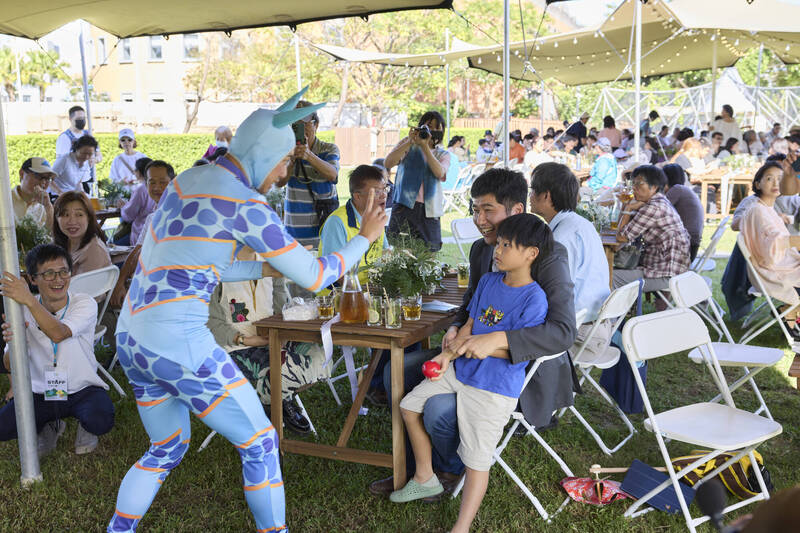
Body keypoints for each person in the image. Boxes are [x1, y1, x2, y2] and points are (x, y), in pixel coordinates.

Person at [105, 88, 387, 533]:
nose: (281, 175)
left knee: (166, 447)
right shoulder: (244, 201)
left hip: (132, 340)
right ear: (264, 153)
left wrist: (267, 269)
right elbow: (317, 276)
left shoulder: (186, 182)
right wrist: (363, 238)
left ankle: (117, 530)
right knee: (260, 443)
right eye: (283, 163)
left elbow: (200, 262)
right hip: (179, 342)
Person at [370, 168, 579, 498]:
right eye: (474, 209)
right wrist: (455, 329)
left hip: (519, 371)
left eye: (488, 210)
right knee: (399, 372)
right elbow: (470, 305)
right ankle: (417, 470)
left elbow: (563, 331)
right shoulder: (482, 250)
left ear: (516, 211)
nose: (479, 219)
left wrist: (498, 340)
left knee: (438, 409)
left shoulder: (549, 256)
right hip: (468, 357)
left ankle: (449, 471)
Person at [389, 213, 551, 533]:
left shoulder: (534, 299)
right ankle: (425, 477)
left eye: (508, 245)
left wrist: (489, 347)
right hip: (460, 370)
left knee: (476, 462)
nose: (498, 250)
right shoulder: (490, 281)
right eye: (499, 243)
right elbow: (470, 325)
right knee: (409, 406)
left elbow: (522, 349)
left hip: (494, 386)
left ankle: (460, 528)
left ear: (531, 253)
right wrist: (448, 355)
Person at [0, 244, 114, 456]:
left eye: (64, 272)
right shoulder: (22, 310)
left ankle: (85, 426)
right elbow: (9, 364)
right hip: (42, 392)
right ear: (33, 279)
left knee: (100, 419)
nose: (59, 279)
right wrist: (16, 342)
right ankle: (50, 425)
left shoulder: (84, 303)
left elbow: (58, 333)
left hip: (82, 389)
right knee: (4, 427)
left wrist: (28, 300)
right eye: (49, 273)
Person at [206, 247, 319, 436]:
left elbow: (280, 307)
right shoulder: (217, 266)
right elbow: (211, 322)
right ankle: (277, 400)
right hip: (235, 347)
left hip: (272, 338)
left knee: (319, 352)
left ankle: (275, 396)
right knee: (280, 367)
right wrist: (246, 340)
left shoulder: (271, 263)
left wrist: (281, 333)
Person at [530, 163, 611, 352]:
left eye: (533, 190)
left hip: (581, 334)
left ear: (546, 195)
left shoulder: (562, 237)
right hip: (594, 322)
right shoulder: (580, 224)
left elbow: (553, 293)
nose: (530, 196)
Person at [740, 161, 800, 339]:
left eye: (780, 179)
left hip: (778, 265)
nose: (776, 183)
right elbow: (775, 243)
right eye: (769, 178)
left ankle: (790, 314)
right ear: (757, 183)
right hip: (771, 270)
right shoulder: (758, 210)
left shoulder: (766, 208)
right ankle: (788, 312)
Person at [614, 165, 691, 291]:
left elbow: (621, 237)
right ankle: (626, 310)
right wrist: (627, 206)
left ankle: (614, 311)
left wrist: (628, 207)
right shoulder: (659, 202)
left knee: (610, 277)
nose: (633, 188)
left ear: (654, 187)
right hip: (665, 268)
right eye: (633, 183)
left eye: (639, 184)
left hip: (666, 274)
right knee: (615, 270)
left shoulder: (653, 207)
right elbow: (622, 233)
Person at [110, 161, 174, 309]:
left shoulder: (181, 214)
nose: (157, 187)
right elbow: (137, 250)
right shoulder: (152, 217)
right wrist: (120, 283)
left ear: (173, 183)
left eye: (163, 182)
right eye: (152, 182)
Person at [277, 100, 341, 248]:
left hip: (324, 235)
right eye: (295, 124)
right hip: (293, 235)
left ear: (316, 125)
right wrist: (291, 159)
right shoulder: (285, 151)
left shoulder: (329, 149)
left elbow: (333, 175)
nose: (300, 128)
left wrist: (308, 155)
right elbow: (279, 182)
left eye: (304, 123)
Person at [385, 111, 450, 252]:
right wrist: (410, 141)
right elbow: (388, 163)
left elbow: (439, 172)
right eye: (428, 126)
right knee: (400, 250)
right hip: (404, 205)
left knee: (429, 252)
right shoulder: (407, 145)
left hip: (430, 210)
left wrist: (425, 146)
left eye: (436, 128)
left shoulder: (443, 154)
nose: (432, 130)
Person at [52, 191, 111, 276]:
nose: (72, 221)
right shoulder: (66, 243)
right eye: (65, 215)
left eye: (79, 215)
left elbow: (85, 289)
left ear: (89, 218)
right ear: (56, 219)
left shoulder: (94, 250)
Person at [118, 158, 165, 248]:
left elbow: (128, 215)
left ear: (139, 172)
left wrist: (123, 207)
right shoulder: (167, 187)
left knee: (115, 242)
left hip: (142, 235)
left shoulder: (141, 189)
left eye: (135, 170)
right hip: (158, 234)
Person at [663, 164, 704, 262]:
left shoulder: (677, 189)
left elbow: (658, 209)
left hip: (686, 248)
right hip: (691, 245)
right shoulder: (683, 189)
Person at [13, 157, 56, 229]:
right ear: (22, 173)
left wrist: (48, 207)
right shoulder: (5, 200)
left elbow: (48, 235)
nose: (43, 182)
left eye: (48, 178)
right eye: (38, 176)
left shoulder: (44, 206)